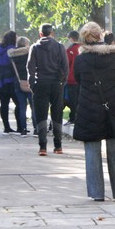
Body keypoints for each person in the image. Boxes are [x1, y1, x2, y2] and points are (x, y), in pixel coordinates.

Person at [73, 22, 115, 202]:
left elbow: (78, 79)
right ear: (100, 36)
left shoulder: (81, 59)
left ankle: (96, 192)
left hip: (88, 108)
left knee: (92, 150)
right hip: (112, 107)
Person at [27, 23, 68, 155]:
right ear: (52, 33)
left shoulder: (34, 48)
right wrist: (62, 82)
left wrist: (32, 84)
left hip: (40, 83)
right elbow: (65, 67)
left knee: (41, 115)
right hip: (56, 83)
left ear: (40, 34)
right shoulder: (59, 47)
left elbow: (30, 68)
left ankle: (43, 147)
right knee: (57, 114)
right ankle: (58, 145)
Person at [0, 31, 21, 134]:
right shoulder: (13, 50)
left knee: (4, 104)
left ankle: (6, 127)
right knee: (18, 103)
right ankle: (20, 127)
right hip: (11, 80)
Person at [8, 36, 35, 135]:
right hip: (30, 82)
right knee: (33, 106)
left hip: (18, 82)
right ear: (26, 44)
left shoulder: (12, 55)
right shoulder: (30, 53)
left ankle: (23, 129)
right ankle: (36, 128)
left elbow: (11, 70)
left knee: (21, 106)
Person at [64, 30, 81, 125]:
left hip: (71, 79)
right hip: (81, 79)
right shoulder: (83, 48)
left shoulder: (70, 50)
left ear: (71, 38)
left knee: (72, 100)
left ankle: (73, 118)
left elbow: (67, 65)